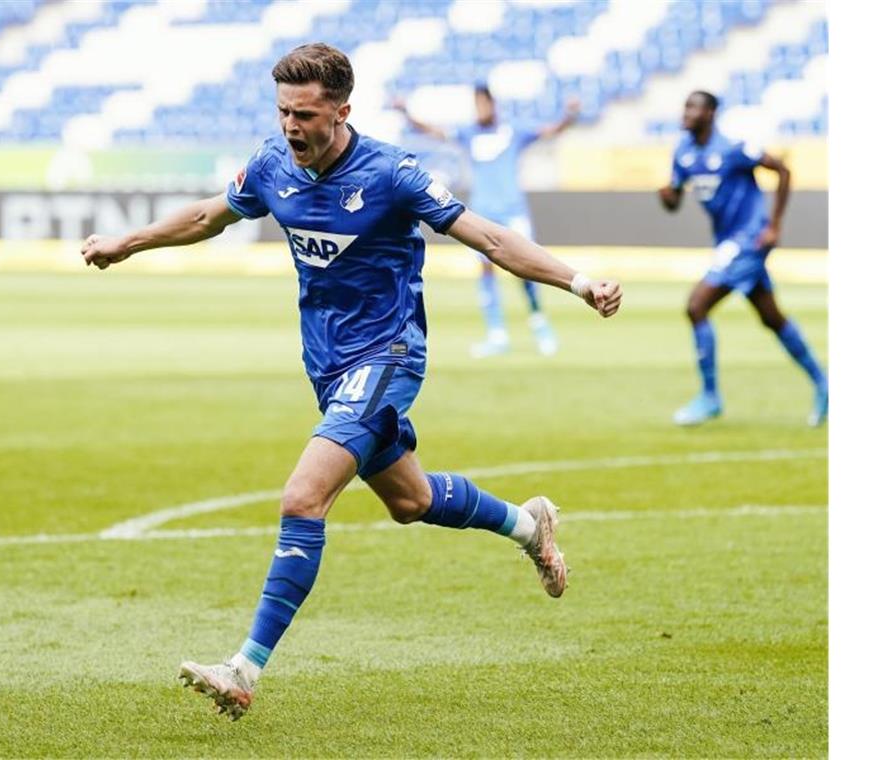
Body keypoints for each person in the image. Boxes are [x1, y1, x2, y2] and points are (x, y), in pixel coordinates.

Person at [81, 43, 622, 720]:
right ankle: (527, 526)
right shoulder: (274, 164)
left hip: (389, 355)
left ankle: (243, 668)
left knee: (303, 497)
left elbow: (486, 237)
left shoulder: (393, 173)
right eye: (282, 112)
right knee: (412, 500)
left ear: (342, 110)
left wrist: (576, 281)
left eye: (304, 114)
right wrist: (125, 244)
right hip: (329, 364)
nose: (290, 127)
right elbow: (205, 217)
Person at [658, 90, 827, 427]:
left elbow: (782, 170)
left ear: (710, 113)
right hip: (727, 243)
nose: (685, 112)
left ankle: (710, 397)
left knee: (696, 306)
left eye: (693, 106)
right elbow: (674, 199)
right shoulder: (684, 152)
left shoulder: (733, 149)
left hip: (748, 240)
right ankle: (825, 385)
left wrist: (774, 225)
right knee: (772, 318)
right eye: (685, 105)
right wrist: (667, 197)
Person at [394, 85, 580, 357]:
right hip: (482, 214)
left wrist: (569, 116)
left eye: (483, 103)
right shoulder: (469, 134)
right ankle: (497, 334)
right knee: (486, 272)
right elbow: (434, 131)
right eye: (476, 104)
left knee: (527, 269)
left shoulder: (514, 131)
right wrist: (406, 114)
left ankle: (540, 326)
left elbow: (550, 131)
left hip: (513, 211)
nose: (480, 109)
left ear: (493, 104)